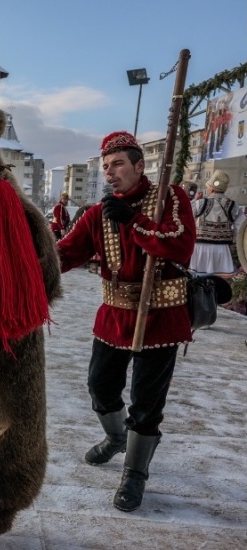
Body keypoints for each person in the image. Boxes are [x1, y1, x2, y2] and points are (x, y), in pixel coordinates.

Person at [57, 131, 196, 513]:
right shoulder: (97, 212)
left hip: (161, 317)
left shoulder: (170, 197)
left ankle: (135, 474)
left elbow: (181, 245)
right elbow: (65, 254)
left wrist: (134, 221)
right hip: (114, 315)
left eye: (117, 163)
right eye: (105, 166)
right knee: (100, 387)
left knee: (148, 404)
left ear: (140, 165)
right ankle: (116, 437)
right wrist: (24, 265)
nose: (110, 172)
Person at [189, 170, 246, 274]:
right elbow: (242, 229)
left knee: (197, 281)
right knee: (220, 282)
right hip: (222, 250)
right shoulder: (233, 206)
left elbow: (187, 221)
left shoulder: (200, 203)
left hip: (200, 249)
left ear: (211, 188)